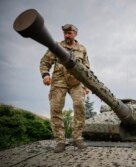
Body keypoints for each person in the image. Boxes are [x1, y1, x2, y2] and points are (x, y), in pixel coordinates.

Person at [40, 24, 90, 153]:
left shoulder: (82, 49)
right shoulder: (56, 47)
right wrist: (45, 75)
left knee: (80, 106)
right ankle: (60, 141)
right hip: (58, 81)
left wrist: (85, 86)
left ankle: (77, 138)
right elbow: (45, 62)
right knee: (55, 109)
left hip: (76, 82)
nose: (67, 35)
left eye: (69, 33)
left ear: (75, 34)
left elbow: (86, 69)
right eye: (65, 33)